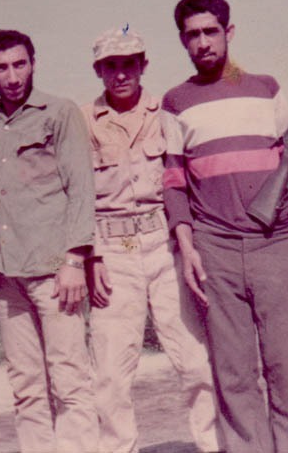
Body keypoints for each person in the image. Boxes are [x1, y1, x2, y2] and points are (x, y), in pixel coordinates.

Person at [160, 0, 288, 453]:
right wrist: (187, 247)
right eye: (192, 35)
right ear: (182, 40)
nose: (203, 42)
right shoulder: (176, 101)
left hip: (275, 244)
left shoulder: (267, 89)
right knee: (234, 373)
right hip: (215, 248)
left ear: (229, 32)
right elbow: (173, 181)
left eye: (211, 31)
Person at [81, 27, 222, 453]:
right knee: (110, 372)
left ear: (143, 66)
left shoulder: (167, 113)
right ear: (98, 71)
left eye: (129, 64)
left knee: (194, 359)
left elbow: (185, 179)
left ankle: (213, 443)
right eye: (111, 66)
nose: (121, 74)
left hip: (164, 244)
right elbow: (76, 195)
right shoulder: (82, 121)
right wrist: (90, 257)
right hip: (112, 251)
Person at [0, 29, 99, 453]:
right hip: (8, 277)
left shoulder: (59, 113)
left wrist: (75, 260)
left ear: (33, 63)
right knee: (26, 387)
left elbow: (81, 188)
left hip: (54, 271)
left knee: (70, 381)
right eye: (1, 68)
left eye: (20, 64)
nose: (12, 76)